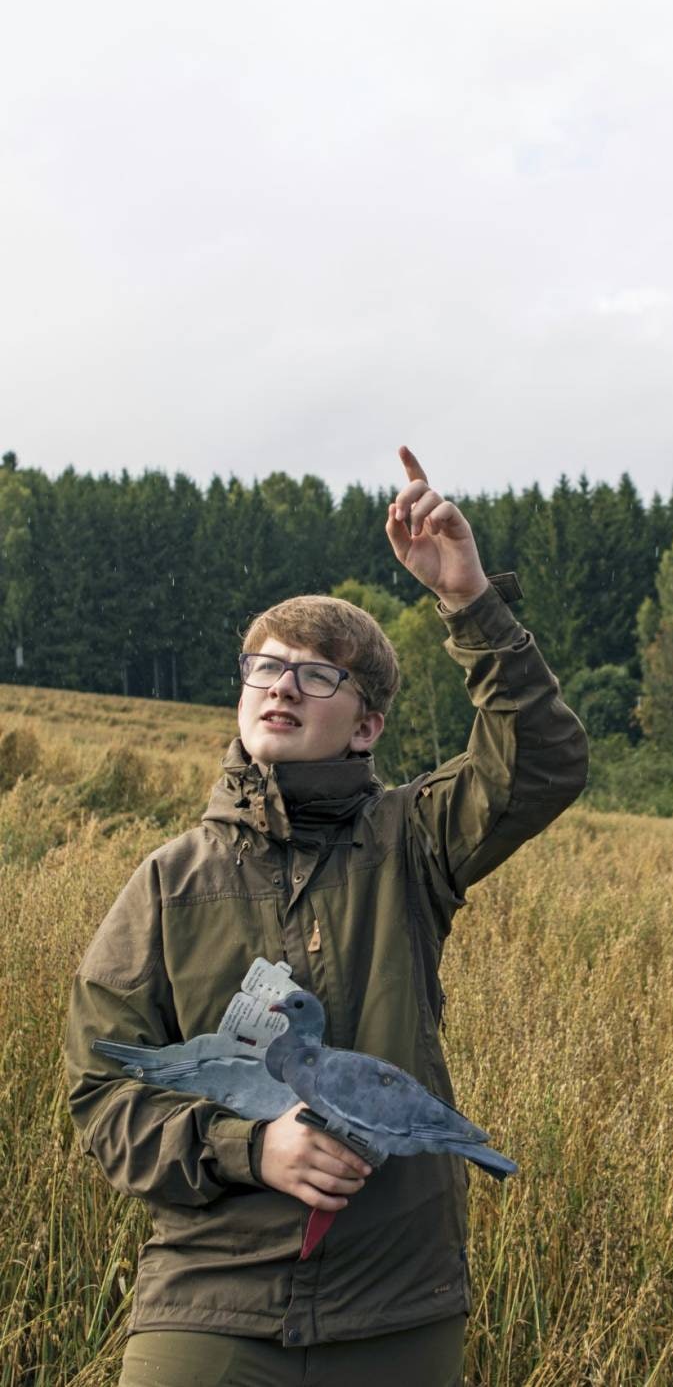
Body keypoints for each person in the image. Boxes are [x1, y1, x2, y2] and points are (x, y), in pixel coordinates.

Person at [64, 446, 589, 1387]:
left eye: (315, 676)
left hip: (395, 1307)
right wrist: (251, 1147)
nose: (279, 687)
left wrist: (468, 599)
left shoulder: (410, 844)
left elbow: (541, 765)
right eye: (263, 668)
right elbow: (104, 1090)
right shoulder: (170, 883)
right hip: (208, 1302)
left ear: (366, 725)